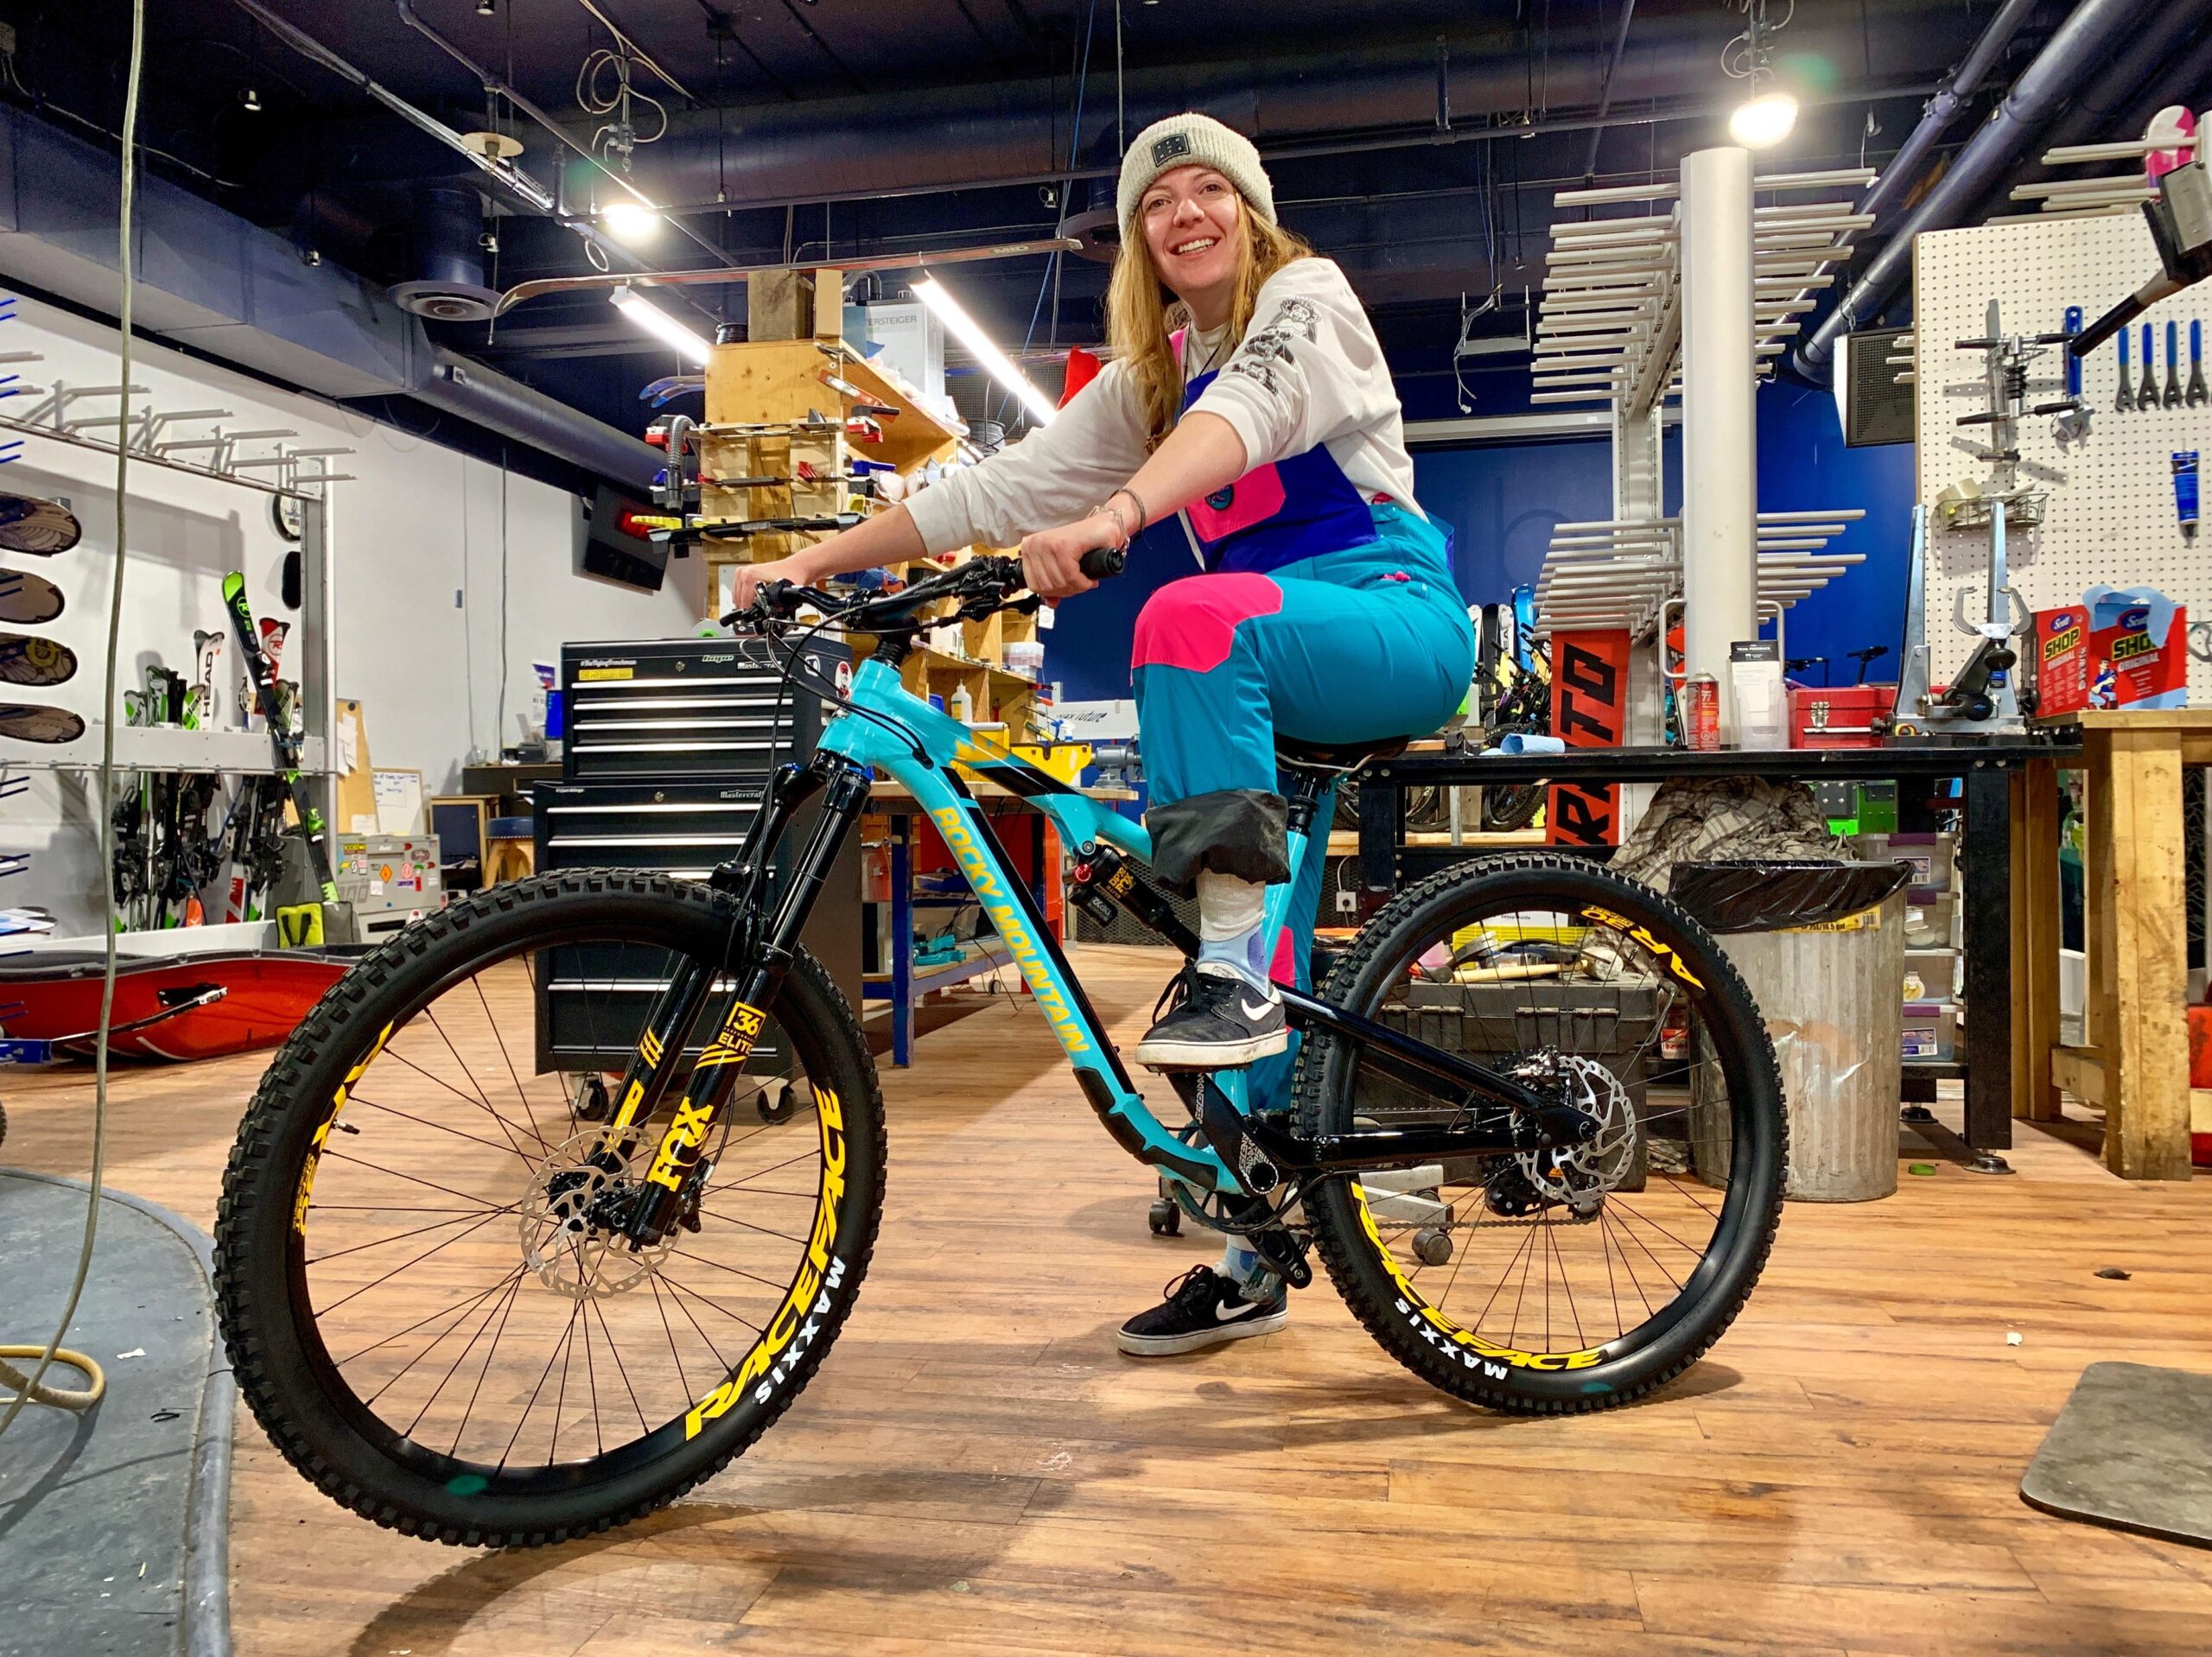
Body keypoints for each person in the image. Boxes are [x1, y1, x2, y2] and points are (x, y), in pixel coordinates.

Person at [728, 112, 1475, 1358]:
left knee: (1190, 624)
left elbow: (1253, 411)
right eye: (1156, 202)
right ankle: (1254, 1249)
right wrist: (809, 561)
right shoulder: (1150, 378)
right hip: (1279, 657)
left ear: (1250, 207)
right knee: (1235, 943)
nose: (1185, 215)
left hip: (1395, 620)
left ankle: (1232, 974)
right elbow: (996, 491)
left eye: (1207, 191)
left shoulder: (1308, 299)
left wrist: (1122, 514)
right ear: (1137, 239)